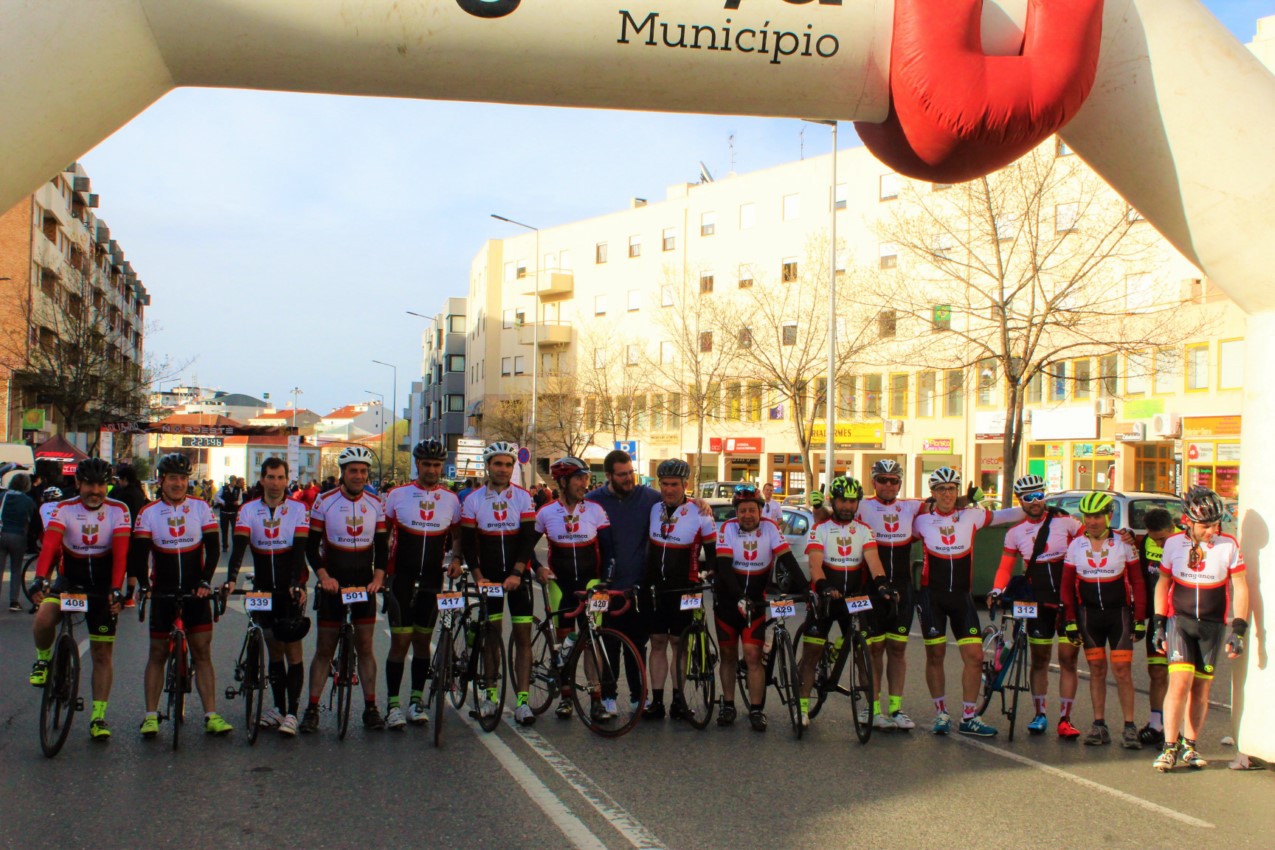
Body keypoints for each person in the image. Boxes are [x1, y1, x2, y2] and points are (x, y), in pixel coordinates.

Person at [912, 467, 1023, 737]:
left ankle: (969, 716)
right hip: (931, 596)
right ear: (933, 493)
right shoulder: (920, 521)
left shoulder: (972, 516)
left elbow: (1009, 514)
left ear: (958, 491)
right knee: (935, 655)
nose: (947, 494)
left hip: (962, 597)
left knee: (974, 656)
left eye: (952, 489)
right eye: (941, 489)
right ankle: (941, 713)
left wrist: (1043, 507)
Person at [130, 453, 233, 737]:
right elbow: (138, 554)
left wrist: (204, 581)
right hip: (162, 590)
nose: (178, 484)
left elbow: (213, 549)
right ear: (161, 481)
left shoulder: (201, 508)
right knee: (157, 653)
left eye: (183, 478)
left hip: (194, 590)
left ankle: (211, 714)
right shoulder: (148, 512)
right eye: (173, 478)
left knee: (202, 653)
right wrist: (143, 584)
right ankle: (150, 715)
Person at [28, 458, 131, 739]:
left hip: (101, 586)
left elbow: (121, 552)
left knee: (101, 653)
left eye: (101, 484)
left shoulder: (119, 510)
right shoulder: (64, 509)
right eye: (89, 484)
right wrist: (40, 577)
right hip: (69, 582)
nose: (95, 490)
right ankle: (43, 659)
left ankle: (98, 717)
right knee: (43, 618)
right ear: (78, 484)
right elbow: (50, 545)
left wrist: (116, 588)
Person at [1151, 486, 1248, 772]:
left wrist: (1239, 628)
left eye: (1216, 524)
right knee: (1179, 683)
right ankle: (1170, 746)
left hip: (1213, 625)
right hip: (1179, 621)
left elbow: (1240, 586)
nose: (1212, 530)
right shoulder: (1172, 544)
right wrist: (1158, 622)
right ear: (1188, 522)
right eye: (1206, 525)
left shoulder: (1228, 545)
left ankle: (1190, 746)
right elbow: (1163, 583)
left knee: (1201, 690)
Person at [988, 474, 1084, 738]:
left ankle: (1065, 718)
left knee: (1068, 659)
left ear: (1045, 495)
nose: (1034, 501)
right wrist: (997, 589)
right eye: (1028, 497)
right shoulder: (1015, 533)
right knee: (1040, 659)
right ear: (1020, 501)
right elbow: (1006, 567)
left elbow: (1093, 540)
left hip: (1067, 600)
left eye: (1039, 495)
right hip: (1037, 599)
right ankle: (1039, 713)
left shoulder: (1067, 522)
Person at [798, 476, 898, 730]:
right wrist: (823, 585)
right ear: (834, 500)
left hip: (853, 599)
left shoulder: (864, 531)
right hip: (826, 598)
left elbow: (874, 562)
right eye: (843, 500)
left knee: (862, 655)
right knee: (811, 654)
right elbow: (815, 564)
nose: (847, 506)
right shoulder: (819, 529)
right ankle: (801, 707)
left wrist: (883, 584)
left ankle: (873, 710)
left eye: (853, 502)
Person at [301, 445, 389, 732]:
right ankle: (312, 708)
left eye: (363, 471)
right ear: (343, 473)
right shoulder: (324, 502)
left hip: (364, 582)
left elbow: (382, 547)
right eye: (353, 471)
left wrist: (378, 577)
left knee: (365, 647)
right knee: (324, 648)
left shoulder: (376, 503)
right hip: (332, 584)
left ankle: (371, 707)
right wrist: (324, 576)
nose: (359, 476)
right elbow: (311, 548)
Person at [226, 457, 311, 736]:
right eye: (270, 477)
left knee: (293, 650)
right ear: (261, 479)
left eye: (280, 477)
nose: (275, 483)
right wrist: (230, 579)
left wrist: (296, 584)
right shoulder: (248, 510)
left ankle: (293, 713)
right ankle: (278, 707)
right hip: (262, 587)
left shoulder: (298, 509)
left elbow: (299, 551)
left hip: (288, 587)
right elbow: (238, 548)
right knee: (274, 649)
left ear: (287, 480)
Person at [381, 439, 463, 728]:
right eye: (427, 464)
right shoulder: (397, 495)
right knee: (400, 642)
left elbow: (457, 536)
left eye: (437, 465)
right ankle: (392, 704)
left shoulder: (451, 499)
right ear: (417, 465)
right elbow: (385, 534)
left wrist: (455, 560)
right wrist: (380, 572)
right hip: (401, 577)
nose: (432, 469)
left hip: (431, 578)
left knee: (421, 643)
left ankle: (416, 701)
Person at [528, 456, 614, 719]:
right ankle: (565, 697)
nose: (584, 483)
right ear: (563, 481)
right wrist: (538, 568)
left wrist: (607, 580)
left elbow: (610, 549)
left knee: (592, 640)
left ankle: (596, 699)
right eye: (579, 478)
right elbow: (526, 547)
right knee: (564, 643)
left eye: (585, 478)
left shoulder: (596, 510)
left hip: (591, 584)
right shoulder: (546, 512)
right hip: (560, 585)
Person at [460, 441, 538, 725]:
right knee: (491, 636)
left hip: (518, 576)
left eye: (508, 464)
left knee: (522, 638)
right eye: (498, 464)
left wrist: (518, 572)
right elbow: (469, 543)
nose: (503, 469)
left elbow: (528, 539)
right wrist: (478, 576)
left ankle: (522, 701)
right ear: (488, 466)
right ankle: (491, 696)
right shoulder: (473, 500)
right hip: (489, 577)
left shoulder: (523, 498)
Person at [1060, 491, 1146, 748]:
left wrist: (1140, 617)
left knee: (1122, 672)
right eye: (1087, 516)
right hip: (1089, 616)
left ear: (1109, 516)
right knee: (1096, 671)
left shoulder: (1123, 542)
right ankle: (1099, 725)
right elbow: (1066, 586)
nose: (1092, 521)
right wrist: (1070, 619)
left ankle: (1129, 726)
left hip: (1118, 615)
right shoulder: (1076, 545)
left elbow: (1138, 581)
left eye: (1097, 516)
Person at [585, 450, 663, 714]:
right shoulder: (593, 501)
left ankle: (637, 697)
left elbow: (678, 502)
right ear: (608, 476)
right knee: (609, 644)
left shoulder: (649, 497)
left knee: (637, 646)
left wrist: (700, 503)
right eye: (622, 474)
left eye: (631, 472)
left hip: (636, 587)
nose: (629, 478)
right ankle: (608, 696)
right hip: (605, 587)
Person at [643, 459, 717, 724]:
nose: (668, 489)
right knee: (658, 642)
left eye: (674, 484)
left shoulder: (700, 512)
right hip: (657, 588)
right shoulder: (653, 509)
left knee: (679, 644)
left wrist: (712, 575)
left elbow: (714, 551)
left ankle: (678, 700)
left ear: (686, 485)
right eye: (664, 484)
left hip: (686, 587)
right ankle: (657, 701)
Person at [857, 459, 926, 730]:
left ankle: (896, 708)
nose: (888, 484)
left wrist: (968, 498)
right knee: (874, 649)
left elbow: (944, 503)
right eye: (882, 479)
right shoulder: (862, 505)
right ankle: (872, 708)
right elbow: (830, 516)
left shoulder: (910, 506)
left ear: (900, 483)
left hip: (903, 587)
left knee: (897, 649)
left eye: (893, 480)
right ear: (873, 481)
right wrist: (818, 506)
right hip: (872, 588)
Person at [1135, 507, 1177, 746]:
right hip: (1158, 619)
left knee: (1181, 677)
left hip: (1181, 618)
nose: (1159, 544)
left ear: (1173, 529)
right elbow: (1141, 581)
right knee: (1157, 673)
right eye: (1154, 539)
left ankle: (1177, 728)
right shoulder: (1146, 543)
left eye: (1163, 538)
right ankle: (1155, 724)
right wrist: (1139, 619)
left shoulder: (1186, 541)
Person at [2, 472, 37, 611]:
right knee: (16, 569)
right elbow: (31, 519)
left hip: (2, 533)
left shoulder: (2, 496)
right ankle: (14, 601)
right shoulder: (28, 501)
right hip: (19, 536)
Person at [216, 477, 244, 551]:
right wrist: (222, 502)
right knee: (224, 530)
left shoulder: (238, 489)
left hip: (233, 512)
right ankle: (225, 546)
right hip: (224, 512)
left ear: (235, 482)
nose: (232, 482)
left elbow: (240, 499)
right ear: (229, 481)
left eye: (234, 481)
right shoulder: (224, 488)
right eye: (231, 481)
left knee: (234, 530)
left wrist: (237, 502)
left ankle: (235, 545)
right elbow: (217, 496)